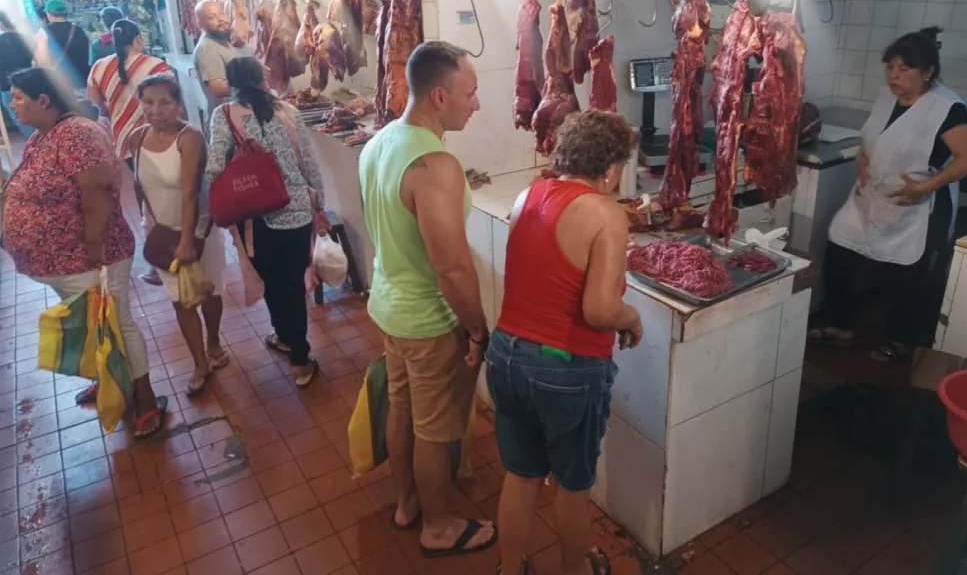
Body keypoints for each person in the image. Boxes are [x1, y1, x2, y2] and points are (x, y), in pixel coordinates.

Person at [486, 110, 642, 575]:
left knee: (522, 473)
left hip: (505, 356)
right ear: (611, 169)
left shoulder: (527, 195)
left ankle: (511, 568)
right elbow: (598, 310)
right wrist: (631, 318)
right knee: (573, 486)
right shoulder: (605, 214)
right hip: (564, 369)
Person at [358, 41, 497, 559]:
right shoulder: (435, 164)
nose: (476, 104)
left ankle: (406, 503)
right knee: (436, 427)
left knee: (402, 407)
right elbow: (453, 269)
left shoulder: (381, 142)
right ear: (440, 95)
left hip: (389, 306)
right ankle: (438, 527)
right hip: (429, 320)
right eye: (471, 92)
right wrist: (478, 329)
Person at [0, 68, 164, 438]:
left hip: (94, 256)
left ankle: (145, 396)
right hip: (63, 262)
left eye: (18, 97)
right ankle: (109, 380)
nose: (12, 104)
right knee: (93, 325)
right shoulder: (43, 137)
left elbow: (99, 192)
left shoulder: (77, 134)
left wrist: (93, 247)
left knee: (117, 323)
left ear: (44, 100)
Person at [818, 27, 967, 362]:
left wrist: (923, 187)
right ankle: (840, 325)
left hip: (920, 205)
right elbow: (872, 136)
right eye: (890, 67)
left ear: (928, 72)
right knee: (839, 252)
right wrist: (863, 158)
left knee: (909, 275)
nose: (894, 75)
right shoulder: (887, 97)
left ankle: (902, 340)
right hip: (871, 197)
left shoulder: (946, 108)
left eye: (904, 69)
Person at [205, 57, 328, 386]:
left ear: (231, 84)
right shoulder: (289, 112)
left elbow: (214, 167)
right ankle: (295, 352)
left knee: (272, 281)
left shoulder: (224, 116)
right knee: (291, 284)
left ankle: (294, 347)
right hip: (298, 210)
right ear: (263, 80)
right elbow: (310, 165)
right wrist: (320, 207)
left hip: (256, 219)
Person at [130, 73, 229, 396]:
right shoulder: (136, 138)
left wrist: (187, 240)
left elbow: (189, 193)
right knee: (180, 303)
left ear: (178, 104)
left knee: (209, 291)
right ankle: (200, 362)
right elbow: (139, 186)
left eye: (164, 102)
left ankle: (214, 342)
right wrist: (147, 229)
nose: (155, 110)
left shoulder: (190, 137)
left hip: (198, 232)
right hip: (160, 232)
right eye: (147, 102)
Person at [87, 19, 171, 163]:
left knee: (140, 179)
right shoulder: (156, 66)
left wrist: (113, 112)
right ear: (138, 39)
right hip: (158, 135)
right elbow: (173, 102)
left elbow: (96, 103)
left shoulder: (99, 67)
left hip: (124, 137)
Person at [193, 0, 249, 121]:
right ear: (200, 24)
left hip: (236, 116)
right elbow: (218, 89)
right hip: (226, 121)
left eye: (221, 13)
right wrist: (252, 79)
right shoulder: (208, 50)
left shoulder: (219, 39)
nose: (220, 19)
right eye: (212, 17)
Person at [33, 0, 90, 91]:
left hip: (61, 83)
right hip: (83, 80)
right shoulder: (79, 30)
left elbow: (42, 60)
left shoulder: (44, 32)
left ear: (49, 14)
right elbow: (88, 53)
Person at [0, 11, 34, 136]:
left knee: (17, 115)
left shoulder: (1, 40)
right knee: (32, 113)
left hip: (6, 84)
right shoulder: (26, 39)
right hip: (28, 80)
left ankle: (33, 142)